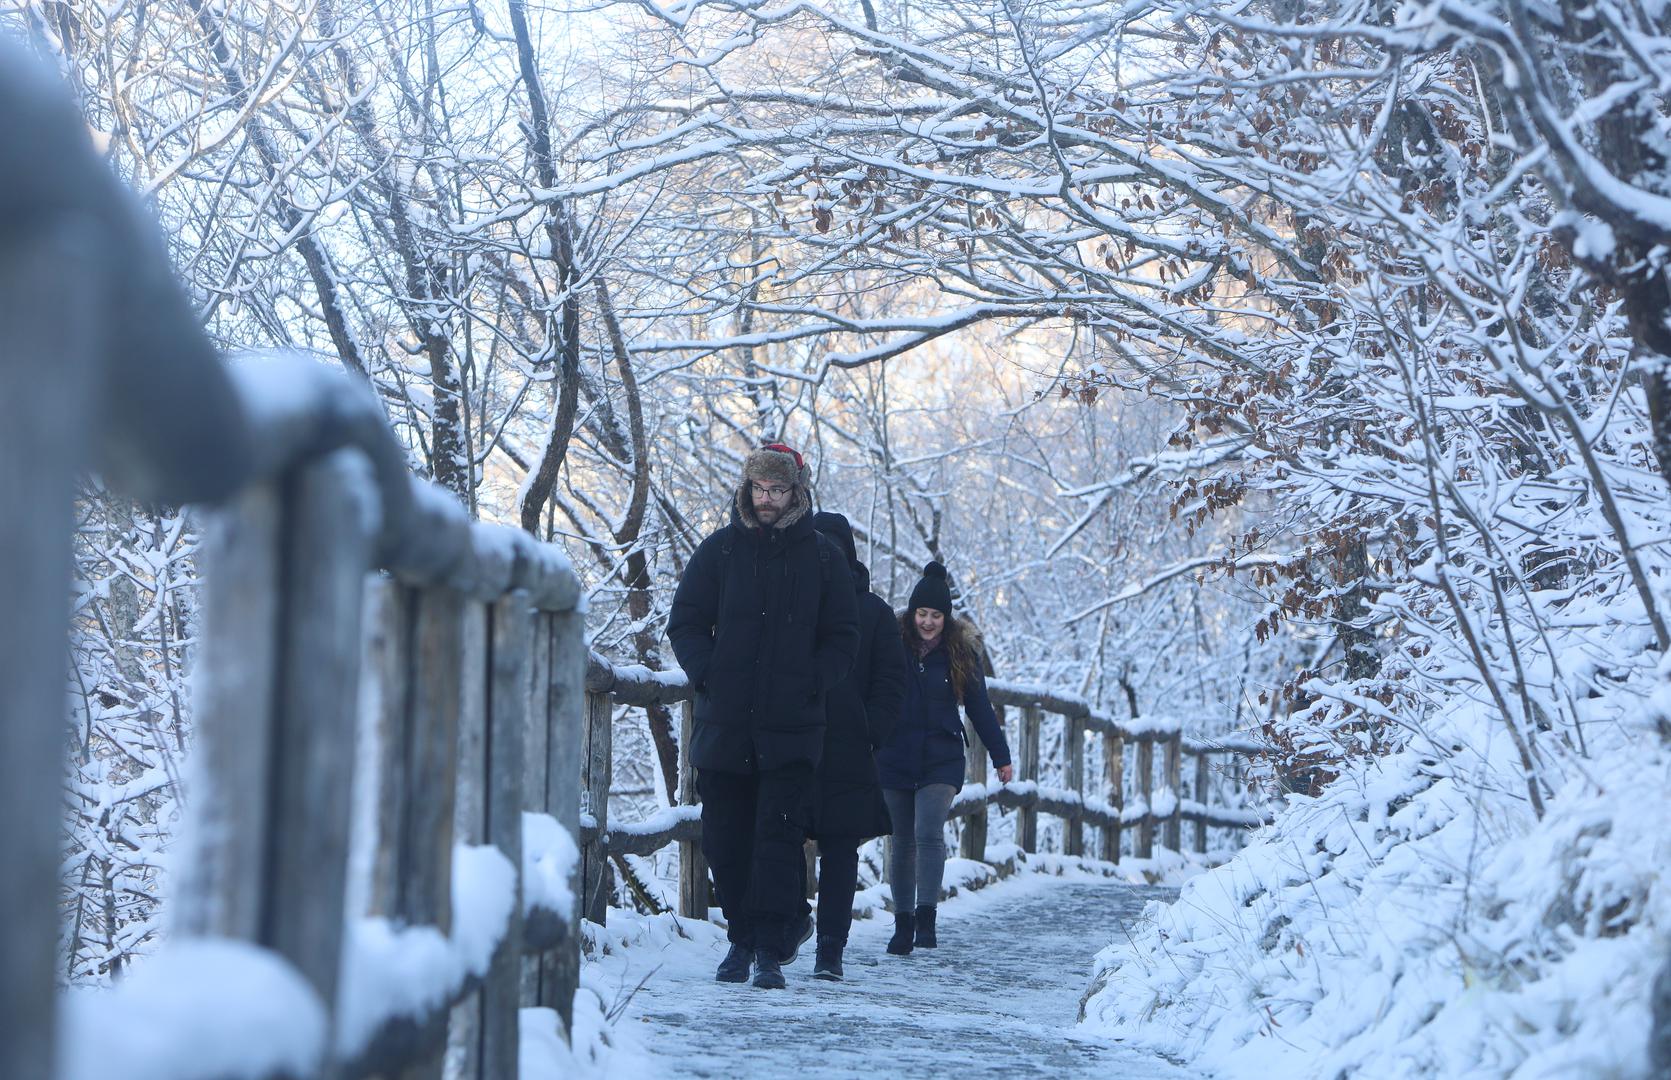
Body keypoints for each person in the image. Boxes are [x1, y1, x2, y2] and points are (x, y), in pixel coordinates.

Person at [666, 443, 860, 990]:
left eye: (778, 490)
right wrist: (707, 672)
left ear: (796, 492)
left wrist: (813, 681)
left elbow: (844, 636)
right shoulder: (720, 552)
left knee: (776, 841)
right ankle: (741, 934)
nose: (768, 499)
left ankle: (766, 950)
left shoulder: (822, 558)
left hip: (792, 730)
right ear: (746, 490)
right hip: (725, 724)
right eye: (760, 489)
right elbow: (684, 621)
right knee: (725, 840)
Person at [877, 560, 1014, 955]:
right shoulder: (892, 644)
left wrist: (1000, 756)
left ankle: (926, 917)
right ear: (911, 612)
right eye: (922, 613)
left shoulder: (960, 653)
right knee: (901, 839)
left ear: (946, 617)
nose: (928, 622)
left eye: (936, 615)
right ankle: (902, 922)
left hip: (941, 756)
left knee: (928, 829)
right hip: (895, 754)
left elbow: (980, 708)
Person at [802, 512, 907, 981]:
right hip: (796, 743)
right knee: (781, 839)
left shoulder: (875, 613)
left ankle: (830, 948)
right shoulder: (795, 603)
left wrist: (871, 731)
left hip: (848, 748)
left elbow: (891, 680)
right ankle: (788, 926)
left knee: (841, 850)